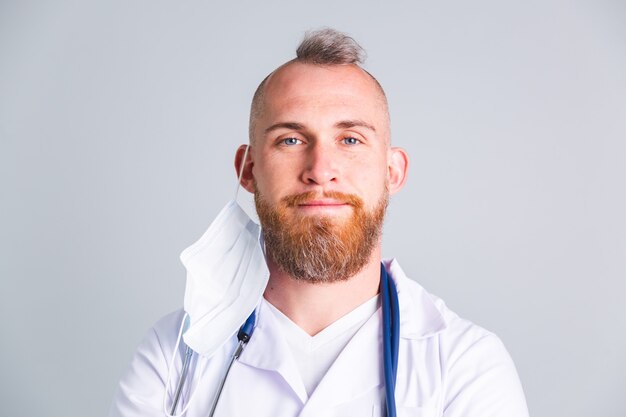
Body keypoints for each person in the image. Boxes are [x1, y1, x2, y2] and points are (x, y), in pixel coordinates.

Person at [109, 28, 529, 417]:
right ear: (248, 170)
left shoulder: (465, 365)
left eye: (350, 140)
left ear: (392, 172)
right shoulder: (175, 356)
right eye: (290, 140)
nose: (320, 169)